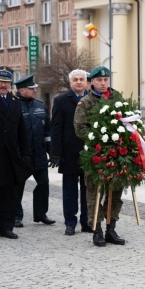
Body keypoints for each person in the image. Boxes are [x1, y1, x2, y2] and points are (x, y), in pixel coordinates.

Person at [74, 66, 126, 247]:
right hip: (95, 154)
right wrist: (98, 140)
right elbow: (80, 128)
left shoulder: (117, 98)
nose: (103, 83)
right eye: (99, 80)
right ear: (92, 82)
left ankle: (111, 229)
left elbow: (128, 120)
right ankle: (97, 230)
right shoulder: (86, 102)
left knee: (115, 192)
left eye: (106, 80)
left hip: (117, 154)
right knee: (94, 193)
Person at [0, 67, 31, 241]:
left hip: (11, 155)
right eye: (0, 81)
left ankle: (6, 227)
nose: (3, 85)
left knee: (9, 193)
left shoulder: (14, 101)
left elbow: (21, 129)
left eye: (6, 82)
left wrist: (26, 152)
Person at [50, 69, 91, 236]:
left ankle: (87, 221)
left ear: (87, 82)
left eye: (82, 79)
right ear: (70, 83)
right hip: (69, 153)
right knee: (69, 191)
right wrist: (56, 153)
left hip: (89, 152)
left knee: (88, 189)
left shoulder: (93, 100)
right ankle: (70, 222)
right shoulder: (61, 101)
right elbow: (56, 128)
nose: (79, 82)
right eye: (76, 79)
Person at [14, 75, 56, 228]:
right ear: (22, 90)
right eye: (31, 89)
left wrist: (51, 152)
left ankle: (40, 214)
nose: (35, 90)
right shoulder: (14, 106)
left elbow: (47, 131)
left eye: (34, 88)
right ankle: (16, 216)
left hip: (39, 154)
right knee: (18, 186)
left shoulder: (40, 105)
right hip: (21, 156)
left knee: (43, 183)